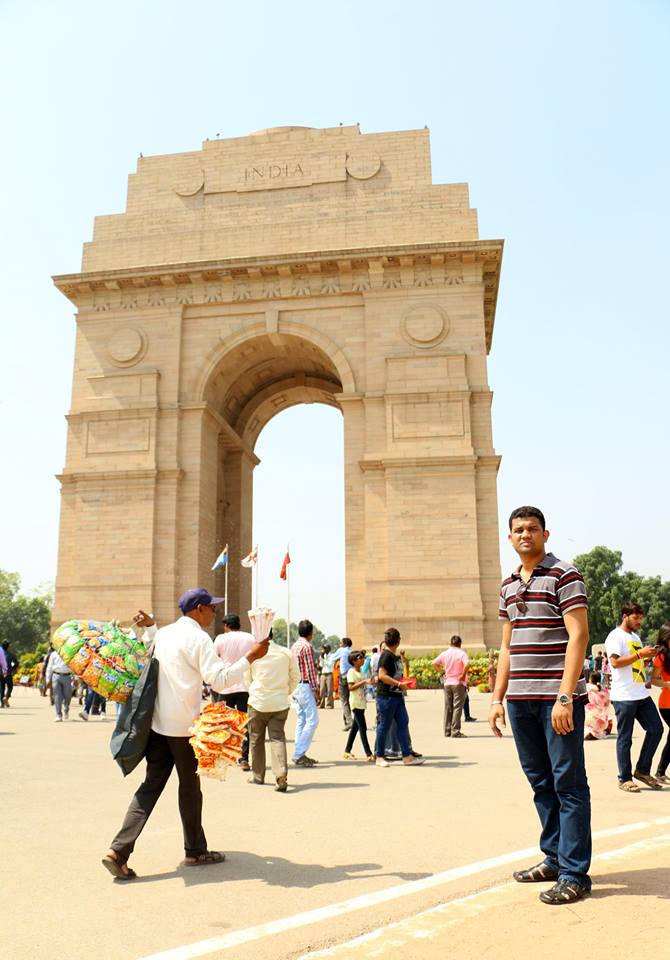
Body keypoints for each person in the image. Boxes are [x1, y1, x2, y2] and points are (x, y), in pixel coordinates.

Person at [102, 588, 269, 880]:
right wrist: (250, 657)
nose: (214, 613)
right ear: (200, 609)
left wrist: (151, 624)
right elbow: (218, 679)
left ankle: (119, 850)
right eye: (212, 608)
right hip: (183, 728)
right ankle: (195, 850)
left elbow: (150, 642)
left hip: (156, 725)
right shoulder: (199, 638)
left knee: (150, 788)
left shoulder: (165, 633)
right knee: (189, 789)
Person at [489, 506, 592, 905]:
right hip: (520, 700)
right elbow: (506, 646)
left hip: (556, 701)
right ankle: (553, 857)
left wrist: (565, 696)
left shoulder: (564, 574)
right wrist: (497, 698)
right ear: (510, 538)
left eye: (533, 528)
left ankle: (574, 873)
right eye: (518, 530)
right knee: (541, 784)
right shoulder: (508, 585)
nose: (525, 535)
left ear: (546, 535)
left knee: (569, 784)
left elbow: (578, 636)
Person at [605, 602, 664, 792]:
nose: (639, 621)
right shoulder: (615, 636)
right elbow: (615, 662)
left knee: (656, 729)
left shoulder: (635, 637)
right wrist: (640, 653)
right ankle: (624, 778)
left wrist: (648, 656)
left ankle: (642, 770)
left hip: (640, 693)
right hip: (624, 695)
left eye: (641, 618)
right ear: (625, 616)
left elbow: (635, 661)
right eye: (636, 618)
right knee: (625, 738)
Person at [245, 629, 299, 792]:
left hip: (257, 702)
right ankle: (281, 775)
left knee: (255, 739)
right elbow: (296, 677)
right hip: (280, 703)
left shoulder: (252, 654)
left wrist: (255, 692)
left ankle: (258, 776)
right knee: (277, 738)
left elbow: (246, 679)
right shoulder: (286, 653)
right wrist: (285, 691)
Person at [374, 628, 424, 767]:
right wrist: (398, 683)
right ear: (398, 641)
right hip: (386, 697)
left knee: (403, 723)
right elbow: (382, 675)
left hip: (396, 696)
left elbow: (395, 675)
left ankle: (407, 756)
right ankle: (379, 756)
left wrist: (402, 683)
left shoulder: (394, 657)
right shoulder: (386, 656)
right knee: (384, 726)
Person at [212, 613, 255, 771]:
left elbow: (214, 658)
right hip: (244, 686)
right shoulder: (250, 638)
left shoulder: (220, 639)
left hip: (226, 685)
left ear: (226, 626)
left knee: (224, 723)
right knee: (243, 724)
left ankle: (225, 756)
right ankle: (243, 759)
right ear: (239, 625)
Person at [290, 619, 320, 767]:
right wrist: (316, 689)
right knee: (312, 720)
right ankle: (298, 754)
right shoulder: (307, 647)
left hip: (296, 686)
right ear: (310, 632)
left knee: (301, 719)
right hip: (304, 685)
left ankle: (299, 752)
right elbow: (310, 669)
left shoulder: (294, 646)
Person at [433, 636, 469, 738]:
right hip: (458, 683)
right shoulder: (462, 653)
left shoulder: (445, 653)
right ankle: (455, 731)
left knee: (448, 707)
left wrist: (441, 672)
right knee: (457, 707)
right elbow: (467, 664)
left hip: (447, 683)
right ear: (460, 644)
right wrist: (462, 675)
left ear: (450, 643)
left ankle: (447, 731)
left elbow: (434, 663)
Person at [343, 651, 374, 761]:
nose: (362, 659)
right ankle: (369, 753)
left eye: (362, 657)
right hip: (355, 703)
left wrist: (370, 681)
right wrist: (364, 682)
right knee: (363, 728)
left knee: (355, 728)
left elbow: (365, 683)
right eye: (359, 658)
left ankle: (347, 750)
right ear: (353, 661)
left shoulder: (361, 671)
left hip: (361, 702)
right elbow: (350, 687)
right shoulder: (351, 672)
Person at [652, 624, 670, 784]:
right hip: (667, 704)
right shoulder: (661, 656)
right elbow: (654, 680)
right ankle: (660, 771)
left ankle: (660, 771)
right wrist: (667, 684)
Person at [331, 637, 353, 730]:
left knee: (344, 701)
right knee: (349, 700)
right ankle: (347, 721)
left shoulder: (341, 650)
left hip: (343, 677)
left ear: (344, 644)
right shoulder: (351, 651)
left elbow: (332, 658)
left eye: (341, 643)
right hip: (351, 677)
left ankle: (349, 722)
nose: (340, 644)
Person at [46, 646, 73, 721]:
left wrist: (76, 678)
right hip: (56, 675)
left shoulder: (70, 653)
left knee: (68, 695)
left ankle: (66, 708)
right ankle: (58, 715)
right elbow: (49, 667)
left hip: (67, 676)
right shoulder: (53, 654)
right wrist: (48, 679)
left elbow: (74, 666)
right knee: (57, 696)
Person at [584, 672, 611, 740]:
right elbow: (607, 704)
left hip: (590, 716)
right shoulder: (605, 690)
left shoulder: (587, 687)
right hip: (601, 718)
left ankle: (590, 732)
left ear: (590, 679)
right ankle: (595, 732)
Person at [1, 641, 17, 707]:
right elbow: (16, 663)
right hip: (8, 673)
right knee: (10, 687)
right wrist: (11, 668)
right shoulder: (11, 655)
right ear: (8, 646)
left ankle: (2, 703)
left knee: (2, 688)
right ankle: (6, 697)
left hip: (0, 673)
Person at [318, 644, 335, 708]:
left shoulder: (332, 656)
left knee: (329, 690)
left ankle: (329, 705)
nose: (323, 650)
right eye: (323, 648)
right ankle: (321, 704)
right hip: (323, 674)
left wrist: (324, 659)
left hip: (329, 674)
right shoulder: (323, 656)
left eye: (325, 648)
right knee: (321, 690)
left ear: (329, 649)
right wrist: (322, 658)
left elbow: (330, 664)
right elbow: (321, 665)